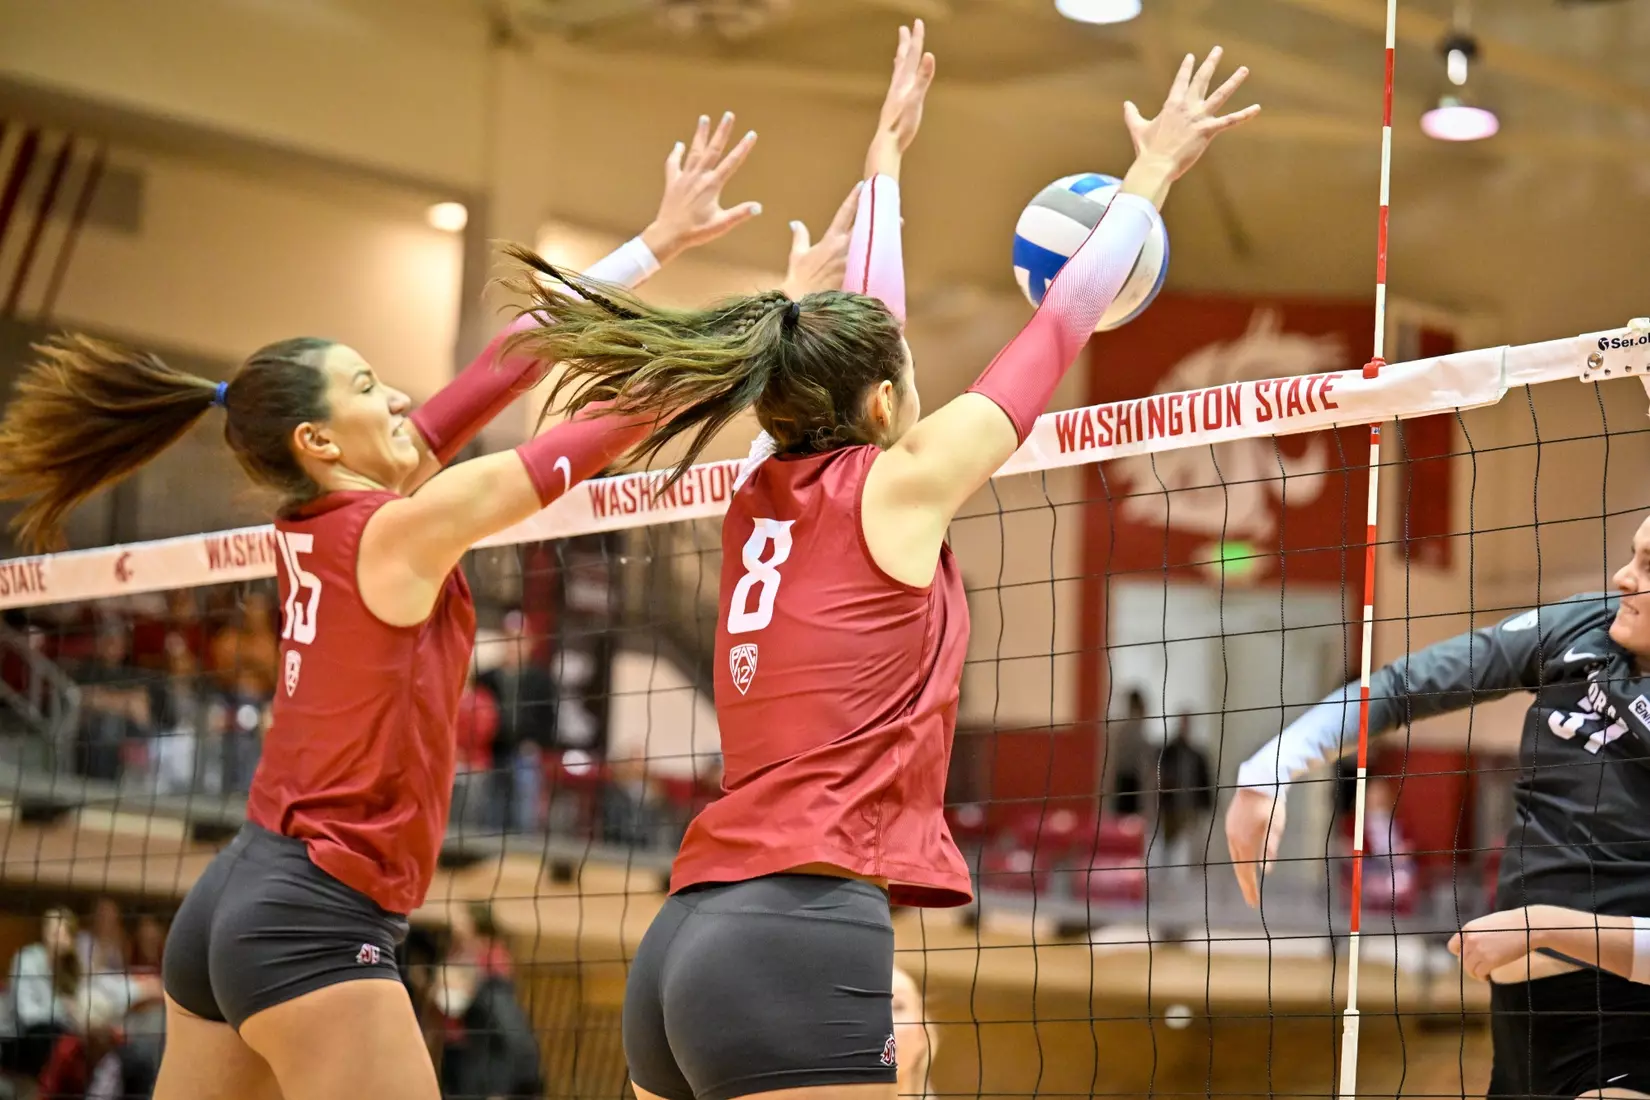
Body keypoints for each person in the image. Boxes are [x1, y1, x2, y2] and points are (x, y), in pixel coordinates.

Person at [0, 113, 857, 1100]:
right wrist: (773, 323)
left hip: (235, 894)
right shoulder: (399, 528)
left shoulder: (341, 510)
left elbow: (507, 362)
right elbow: (600, 432)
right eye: (372, 386)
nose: (404, 393)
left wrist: (655, 243)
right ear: (321, 438)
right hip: (311, 919)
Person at [504, 24, 1257, 1100]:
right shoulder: (894, 488)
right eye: (902, 375)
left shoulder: (758, 483)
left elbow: (866, 342)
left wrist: (887, 165)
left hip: (686, 938)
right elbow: (1059, 327)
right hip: (798, 938)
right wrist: (1153, 169)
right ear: (880, 406)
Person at [1227, 512, 1650, 1100]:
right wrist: (1268, 769)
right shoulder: (1583, 627)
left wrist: (1545, 925)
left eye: (1647, 566)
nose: (1624, 576)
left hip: (1627, 1023)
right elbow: (1403, 688)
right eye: (1632, 554)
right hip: (1520, 1021)